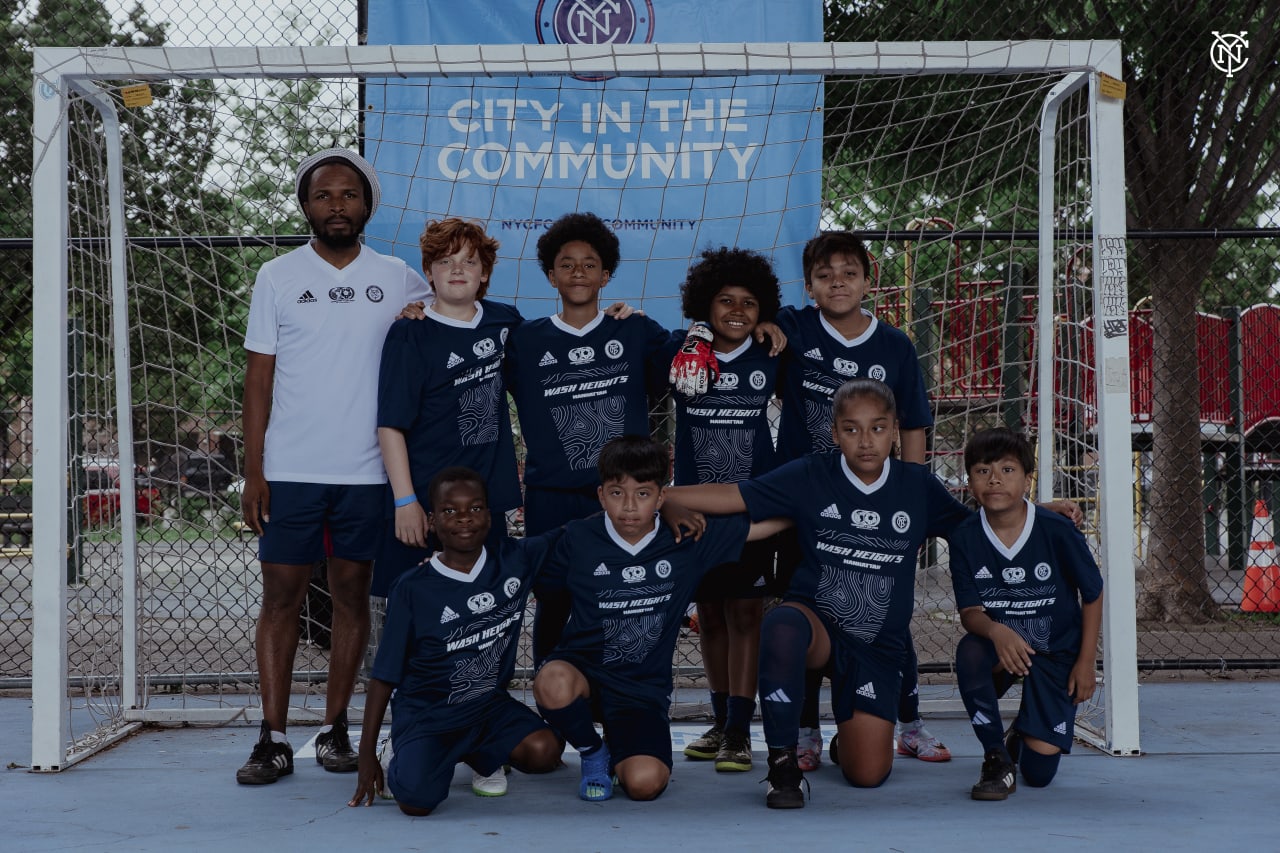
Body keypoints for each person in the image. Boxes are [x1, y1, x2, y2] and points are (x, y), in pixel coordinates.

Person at [664, 379, 970, 808]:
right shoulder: (811, 473)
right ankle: (783, 764)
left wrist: (1032, 513)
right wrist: (658, 496)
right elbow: (736, 495)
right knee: (781, 625)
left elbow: (974, 528)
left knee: (866, 775)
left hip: (875, 646)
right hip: (817, 627)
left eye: (878, 428)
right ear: (834, 433)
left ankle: (854, 736)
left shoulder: (917, 486)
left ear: (896, 430)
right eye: (852, 429)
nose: (865, 441)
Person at [504, 213, 783, 665]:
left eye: (590, 264)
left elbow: (705, 347)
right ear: (550, 274)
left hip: (624, 498)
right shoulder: (524, 340)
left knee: (627, 603)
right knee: (555, 603)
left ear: (606, 275)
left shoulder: (635, 330)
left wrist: (761, 323)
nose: (578, 272)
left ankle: (618, 703)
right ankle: (556, 708)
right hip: (552, 497)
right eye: (567, 264)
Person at [237, 148, 431, 786]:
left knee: (351, 598)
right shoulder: (277, 275)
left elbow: (456, 318)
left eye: (349, 195)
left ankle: (336, 726)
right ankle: (271, 736)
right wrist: (255, 469)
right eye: (324, 195)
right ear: (306, 205)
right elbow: (258, 379)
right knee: (281, 600)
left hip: (368, 472)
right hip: (291, 470)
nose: (337, 205)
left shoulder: (401, 277)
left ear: (367, 206)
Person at [531, 435, 789, 802]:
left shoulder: (686, 539)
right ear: (601, 495)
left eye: (642, 494)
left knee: (644, 783)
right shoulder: (578, 537)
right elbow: (514, 559)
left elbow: (759, 527)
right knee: (550, 681)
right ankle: (594, 753)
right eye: (618, 494)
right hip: (583, 675)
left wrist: (811, 505)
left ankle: (625, 747)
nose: (630, 507)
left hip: (640, 692)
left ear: (661, 497)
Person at [776, 231, 942, 770]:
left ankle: (908, 723)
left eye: (849, 272)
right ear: (808, 287)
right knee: (800, 613)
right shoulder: (793, 328)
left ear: (869, 281)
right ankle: (804, 732)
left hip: (880, 508)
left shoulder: (893, 345)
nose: (838, 282)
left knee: (884, 616)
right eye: (825, 275)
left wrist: (912, 496)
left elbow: (914, 424)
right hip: (810, 506)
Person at [347, 468, 563, 815]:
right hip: (429, 714)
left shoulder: (514, 560)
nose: (464, 518)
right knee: (417, 802)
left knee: (545, 751)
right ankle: (399, 751)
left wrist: (663, 506)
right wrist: (366, 753)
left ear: (489, 516)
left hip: (486, 708)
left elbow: (576, 532)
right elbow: (384, 675)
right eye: (450, 511)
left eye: (475, 508)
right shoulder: (412, 587)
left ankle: (480, 755)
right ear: (432, 521)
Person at [667, 247, 784, 773]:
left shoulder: (773, 352)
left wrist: (779, 325)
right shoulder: (680, 351)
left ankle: (741, 727)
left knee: (745, 612)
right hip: (695, 507)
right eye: (725, 300)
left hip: (752, 509)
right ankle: (719, 721)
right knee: (710, 614)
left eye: (750, 302)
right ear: (703, 304)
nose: (737, 310)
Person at [949, 428, 1104, 801]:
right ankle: (995, 757)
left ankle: (1021, 733)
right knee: (970, 651)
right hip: (1005, 651)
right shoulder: (965, 536)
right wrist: (997, 631)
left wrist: (1086, 663)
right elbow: (970, 611)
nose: (995, 479)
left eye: (1007, 469)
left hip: (1055, 652)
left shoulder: (1057, 530)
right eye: (983, 471)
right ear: (970, 481)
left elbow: (1093, 593)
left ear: (1027, 479)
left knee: (1038, 774)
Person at [372, 218, 522, 599]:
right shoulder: (409, 332)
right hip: (424, 501)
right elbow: (390, 425)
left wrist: (618, 316)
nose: (457, 270)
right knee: (415, 615)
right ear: (428, 272)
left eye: (469, 261)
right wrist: (405, 501)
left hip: (485, 501)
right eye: (445, 261)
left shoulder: (506, 322)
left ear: (484, 272)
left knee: (484, 610)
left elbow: (559, 349)